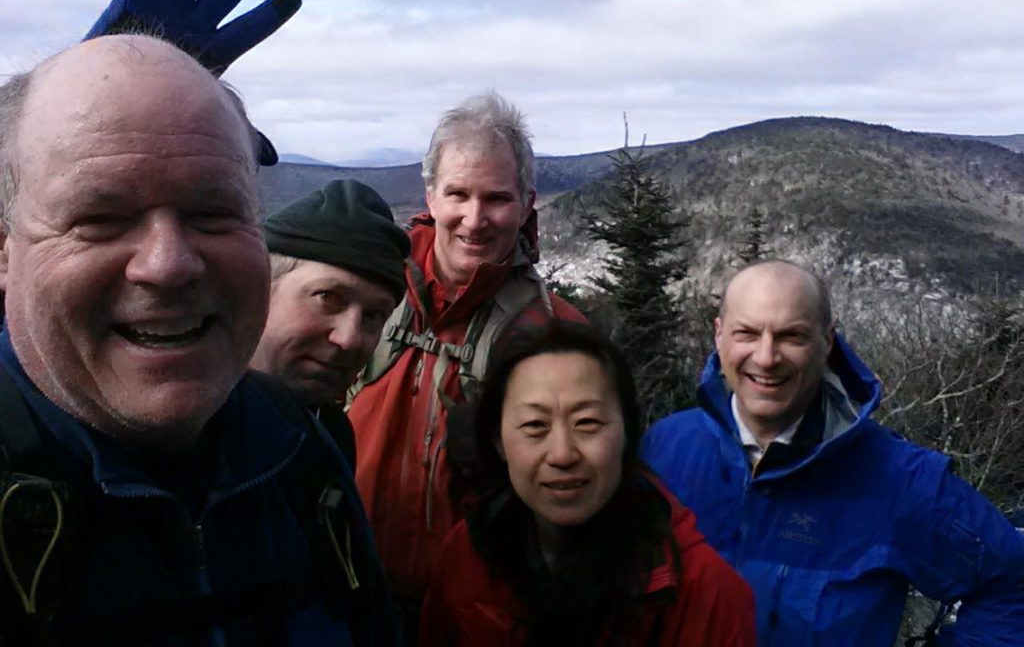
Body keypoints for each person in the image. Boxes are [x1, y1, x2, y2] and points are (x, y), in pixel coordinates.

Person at [0, 35, 395, 644]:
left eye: (213, 213)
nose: (169, 264)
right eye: (100, 218)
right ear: (6, 253)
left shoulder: (300, 452)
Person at [641, 259, 1024, 646]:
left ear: (827, 343)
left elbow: (1012, 581)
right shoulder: (666, 447)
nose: (766, 357)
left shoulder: (898, 478)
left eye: (791, 336)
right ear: (719, 335)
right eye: (747, 333)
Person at [346, 92, 586, 626]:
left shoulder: (558, 335)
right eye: (458, 194)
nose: (474, 220)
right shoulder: (367, 292)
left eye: (496, 198)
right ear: (430, 196)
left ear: (526, 204)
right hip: (344, 592)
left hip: (471, 616)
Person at [418, 320, 756, 646]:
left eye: (587, 422)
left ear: (626, 434)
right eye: (535, 425)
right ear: (498, 441)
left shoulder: (707, 595)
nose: (562, 454)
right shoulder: (468, 555)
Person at [252, 179, 411, 467]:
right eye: (328, 297)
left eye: (373, 315)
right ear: (260, 289)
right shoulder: (182, 435)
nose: (349, 339)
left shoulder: (332, 437)